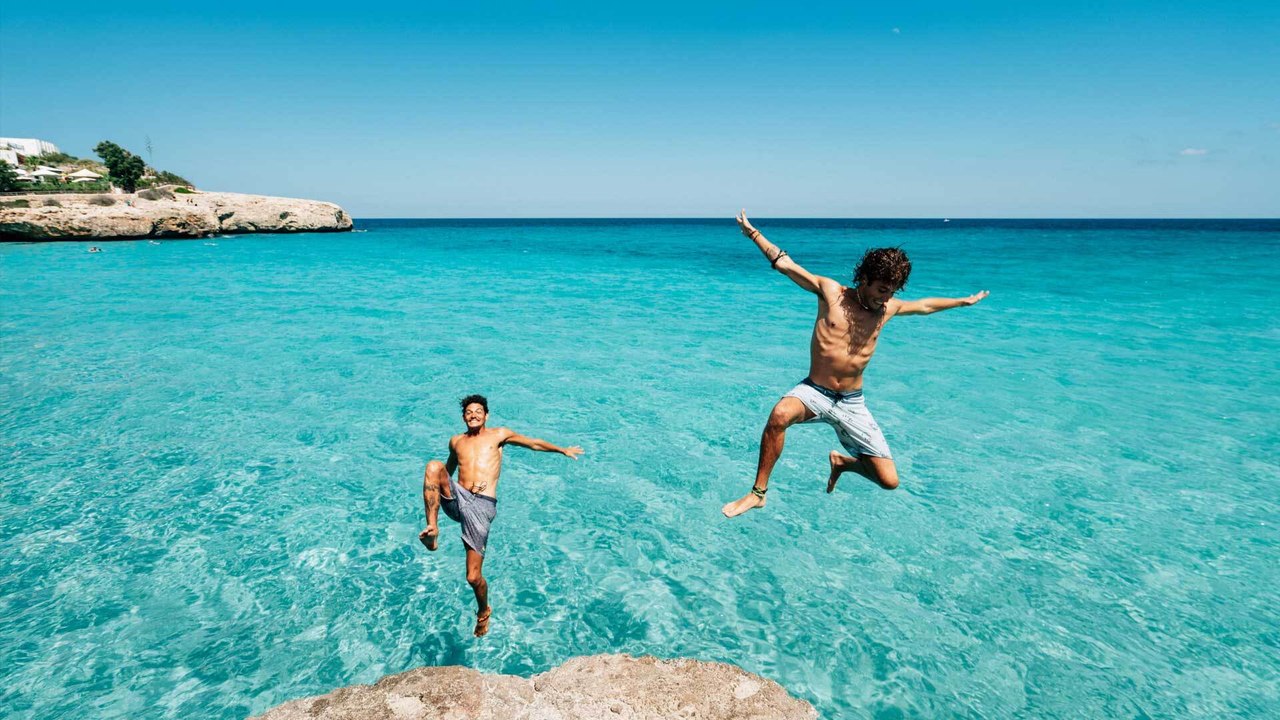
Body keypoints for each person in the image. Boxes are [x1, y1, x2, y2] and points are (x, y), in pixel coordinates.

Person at [722, 210, 989, 518]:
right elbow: (784, 263)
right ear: (864, 280)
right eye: (880, 290)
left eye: (891, 291)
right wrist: (753, 234)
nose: (885, 298)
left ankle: (843, 462)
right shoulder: (830, 293)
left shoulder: (887, 309)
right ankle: (758, 493)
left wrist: (962, 301)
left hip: (852, 402)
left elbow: (926, 305)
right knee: (779, 415)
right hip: (815, 392)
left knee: (889, 481)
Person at [419, 394, 584, 636]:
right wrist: (443, 490)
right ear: (463, 417)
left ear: (486, 415)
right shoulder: (456, 441)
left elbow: (534, 443)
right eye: (468, 412)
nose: (473, 415)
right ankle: (433, 530)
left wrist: (562, 450)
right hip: (458, 499)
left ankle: (483, 611)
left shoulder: (499, 435)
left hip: (482, 506)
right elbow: (448, 469)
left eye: (478, 411)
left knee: (473, 577)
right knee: (434, 466)